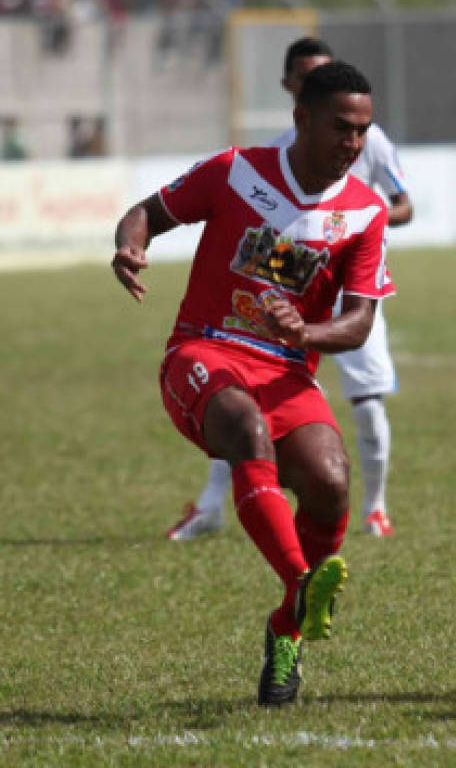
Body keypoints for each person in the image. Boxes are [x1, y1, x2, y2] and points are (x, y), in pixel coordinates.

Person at [112, 61, 392, 707]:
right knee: (247, 430)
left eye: (363, 132)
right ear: (301, 119)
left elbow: (358, 323)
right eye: (341, 128)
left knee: (330, 481)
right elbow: (145, 214)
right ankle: (301, 582)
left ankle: (286, 628)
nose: (353, 144)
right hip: (202, 353)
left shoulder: (364, 212)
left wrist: (305, 335)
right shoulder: (236, 170)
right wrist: (129, 247)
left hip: (287, 368)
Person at [168, 37, 412, 541]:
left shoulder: (369, 149)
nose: (352, 139)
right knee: (236, 410)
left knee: (366, 404)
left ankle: (377, 507)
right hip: (281, 309)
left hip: (348, 294)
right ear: (294, 93)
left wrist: (357, 227)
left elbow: (400, 206)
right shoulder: (272, 156)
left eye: (359, 129)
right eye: (304, 76)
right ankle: (215, 506)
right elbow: (267, 243)